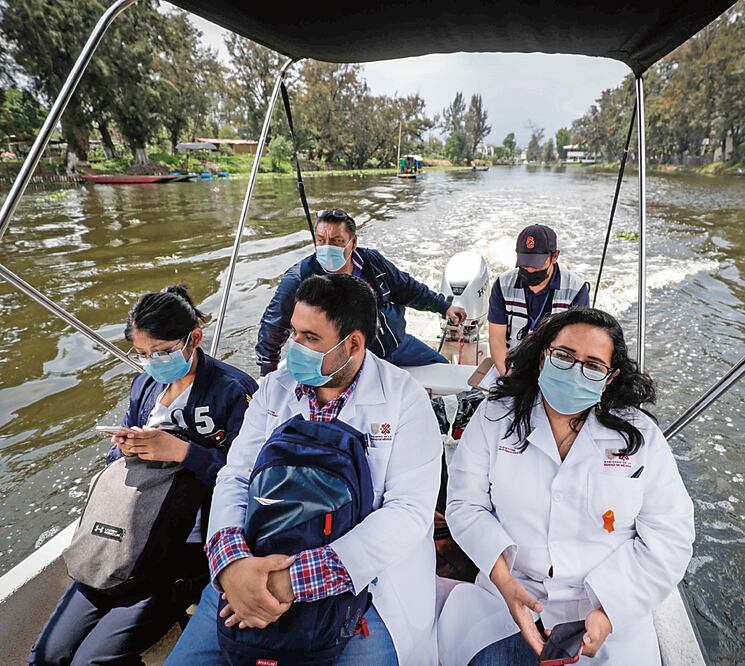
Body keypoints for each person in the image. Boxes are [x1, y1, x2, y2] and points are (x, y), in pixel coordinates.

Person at [168, 274, 442, 665]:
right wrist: (231, 563)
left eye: (310, 338)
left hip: (363, 584)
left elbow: (408, 512)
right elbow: (236, 476)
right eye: (294, 333)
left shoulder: (404, 400)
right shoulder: (274, 388)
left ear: (353, 344)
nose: (294, 347)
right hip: (255, 564)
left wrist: (293, 580)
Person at [438, 308, 694, 665]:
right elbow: (465, 504)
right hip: (507, 593)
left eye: (593, 365)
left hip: (609, 605)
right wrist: (505, 583)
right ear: (543, 357)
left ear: (609, 378)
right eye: (564, 356)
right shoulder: (496, 415)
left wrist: (608, 613)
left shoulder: (640, 436)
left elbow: (669, 536)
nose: (575, 371)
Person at [29, 285, 257, 666]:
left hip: (182, 551)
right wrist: (123, 449)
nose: (152, 362)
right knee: (47, 656)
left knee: (92, 661)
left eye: (162, 352)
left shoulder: (232, 392)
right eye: (143, 354)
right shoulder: (145, 386)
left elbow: (250, 480)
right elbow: (114, 464)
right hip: (125, 540)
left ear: (194, 338)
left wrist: (182, 452)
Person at [255, 208, 466, 377]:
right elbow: (274, 323)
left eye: (337, 241)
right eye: (321, 240)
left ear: (353, 242)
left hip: (396, 344)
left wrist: (444, 307)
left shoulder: (372, 262)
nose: (327, 247)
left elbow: (408, 289)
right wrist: (267, 371)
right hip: (348, 363)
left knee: (443, 368)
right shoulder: (300, 278)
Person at [488, 224, 589, 376]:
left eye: (536, 264)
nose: (529, 269)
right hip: (512, 364)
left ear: (555, 256)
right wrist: (508, 376)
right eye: (524, 262)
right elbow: (496, 338)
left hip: (555, 367)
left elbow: (576, 344)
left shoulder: (576, 289)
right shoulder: (502, 285)